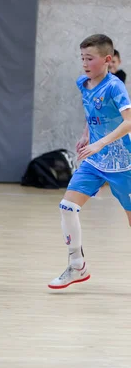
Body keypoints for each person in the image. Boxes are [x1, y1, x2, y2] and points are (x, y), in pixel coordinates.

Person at [48, 34, 131, 289]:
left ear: (107, 60)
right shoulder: (83, 83)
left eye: (90, 58)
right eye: (82, 58)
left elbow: (129, 122)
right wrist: (87, 135)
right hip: (94, 162)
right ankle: (77, 266)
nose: (84, 63)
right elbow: (92, 114)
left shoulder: (115, 86)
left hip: (123, 165)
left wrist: (100, 142)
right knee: (67, 207)